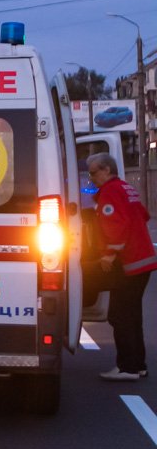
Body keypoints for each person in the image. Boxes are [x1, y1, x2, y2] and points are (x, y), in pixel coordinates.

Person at [87, 152, 157, 381]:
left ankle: (128, 367)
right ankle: (138, 365)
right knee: (132, 315)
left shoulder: (109, 192)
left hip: (130, 264)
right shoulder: (126, 188)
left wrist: (108, 255)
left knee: (120, 316)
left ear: (107, 170)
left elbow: (116, 226)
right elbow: (142, 216)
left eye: (93, 172)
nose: (91, 178)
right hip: (143, 260)